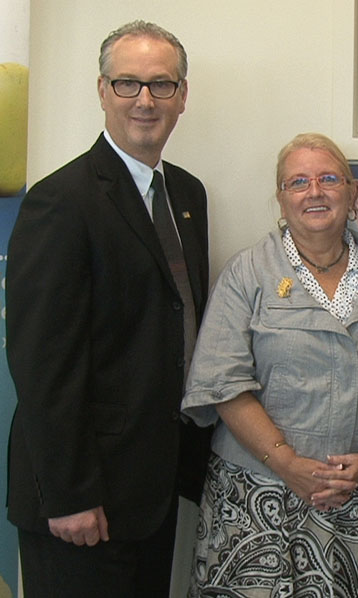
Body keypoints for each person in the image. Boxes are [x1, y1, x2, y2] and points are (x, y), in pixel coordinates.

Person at [181, 132, 358, 597]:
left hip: (356, 498)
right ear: (281, 200)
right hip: (257, 499)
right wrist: (288, 463)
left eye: (328, 178)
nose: (313, 191)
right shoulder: (247, 273)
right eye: (297, 182)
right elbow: (223, 383)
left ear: (353, 194)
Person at [5, 20, 209, 598]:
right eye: (128, 84)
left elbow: (175, 327)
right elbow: (43, 366)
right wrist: (70, 495)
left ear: (182, 95)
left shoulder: (187, 195)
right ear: (102, 91)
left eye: (161, 85)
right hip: (79, 503)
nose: (145, 100)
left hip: (152, 491)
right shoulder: (60, 201)